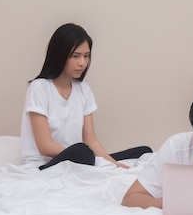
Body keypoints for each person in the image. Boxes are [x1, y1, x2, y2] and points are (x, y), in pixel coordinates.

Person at [20, 23, 152, 170]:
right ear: (60, 55)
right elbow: (45, 146)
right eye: (75, 56)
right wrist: (85, 157)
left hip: (80, 157)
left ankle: (90, 159)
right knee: (83, 152)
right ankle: (87, 158)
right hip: (46, 163)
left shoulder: (83, 90)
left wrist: (114, 165)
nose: (82, 63)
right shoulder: (40, 88)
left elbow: (91, 140)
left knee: (143, 151)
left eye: (86, 56)